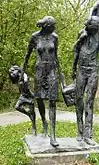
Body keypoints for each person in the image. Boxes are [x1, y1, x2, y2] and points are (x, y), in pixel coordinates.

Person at [72, 16, 99, 145]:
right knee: (78, 99)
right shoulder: (82, 33)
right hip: (81, 69)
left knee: (89, 101)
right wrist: (73, 69)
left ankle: (88, 134)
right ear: (88, 26)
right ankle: (79, 131)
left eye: (96, 29)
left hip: (93, 70)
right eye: (92, 29)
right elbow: (75, 50)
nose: (94, 31)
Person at [22, 16, 59, 147]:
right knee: (39, 99)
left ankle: (53, 135)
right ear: (47, 26)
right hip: (39, 71)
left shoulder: (54, 37)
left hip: (51, 71)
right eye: (52, 26)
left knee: (52, 101)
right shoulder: (35, 37)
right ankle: (44, 122)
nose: (54, 28)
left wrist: (61, 74)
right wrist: (22, 71)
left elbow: (56, 56)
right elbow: (27, 54)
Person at [9, 65, 36, 135]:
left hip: (29, 96)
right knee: (17, 107)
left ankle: (34, 128)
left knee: (33, 113)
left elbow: (26, 83)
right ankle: (28, 114)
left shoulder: (24, 76)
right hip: (22, 96)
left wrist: (24, 78)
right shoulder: (17, 78)